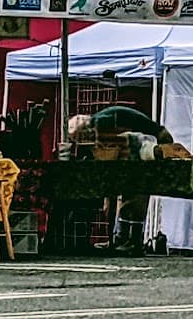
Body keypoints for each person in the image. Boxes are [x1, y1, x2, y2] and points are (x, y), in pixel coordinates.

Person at [67, 105, 174, 255]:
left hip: (151, 145)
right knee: (127, 195)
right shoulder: (100, 122)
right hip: (141, 149)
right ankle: (120, 240)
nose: (82, 143)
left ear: (84, 130)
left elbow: (119, 148)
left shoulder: (101, 123)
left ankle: (132, 242)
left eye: (79, 138)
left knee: (135, 195)